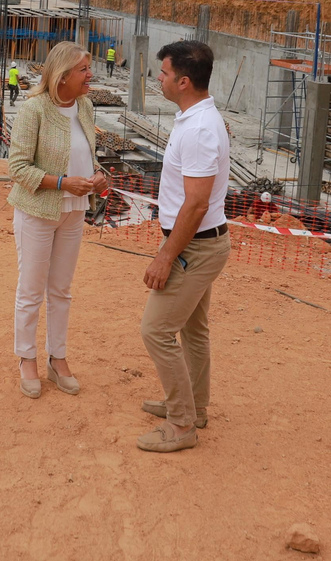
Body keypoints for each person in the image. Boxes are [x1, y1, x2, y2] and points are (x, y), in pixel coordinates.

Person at [136, 39, 230, 453]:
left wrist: (166, 255)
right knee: (193, 330)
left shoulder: (199, 130)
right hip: (200, 243)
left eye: (165, 73)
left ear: (184, 81)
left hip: (194, 247)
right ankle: (196, 407)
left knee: (156, 330)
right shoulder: (194, 119)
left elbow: (196, 204)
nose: (160, 78)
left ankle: (181, 424)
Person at [6, 41, 109, 399]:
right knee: (31, 290)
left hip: (74, 212)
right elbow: (17, 167)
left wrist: (99, 175)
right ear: (63, 76)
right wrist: (63, 183)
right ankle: (26, 358)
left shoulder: (85, 106)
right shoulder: (34, 109)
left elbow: (88, 157)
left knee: (61, 290)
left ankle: (58, 358)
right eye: (84, 70)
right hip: (37, 211)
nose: (90, 75)